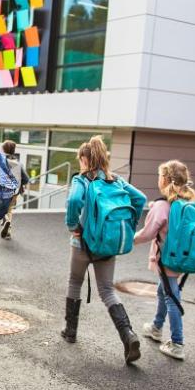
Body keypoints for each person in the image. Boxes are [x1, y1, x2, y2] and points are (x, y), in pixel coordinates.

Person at [62, 135, 146, 363]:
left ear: (84, 159)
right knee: (107, 290)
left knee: (75, 282)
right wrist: (128, 226)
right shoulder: (116, 180)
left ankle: (70, 331)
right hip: (108, 243)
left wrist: (73, 226)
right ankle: (128, 335)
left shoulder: (82, 180)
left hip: (82, 243)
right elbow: (140, 199)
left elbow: (73, 202)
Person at [134, 160, 195, 360]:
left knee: (171, 296)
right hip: (182, 257)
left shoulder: (162, 205)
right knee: (164, 291)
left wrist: (128, 240)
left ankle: (177, 343)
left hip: (168, 259)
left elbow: (147, 233)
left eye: (159, 176)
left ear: (165, 179)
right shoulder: (190, 204)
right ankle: (156, 326)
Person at [0, 140, 29, 240]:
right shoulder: (18, 163)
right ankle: (8, 231)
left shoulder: (0, 161)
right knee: (9, 209)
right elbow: (26, 179)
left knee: (0, 208)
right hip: (14, 191)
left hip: (1, 190)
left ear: (3, 150)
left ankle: (6, 220)